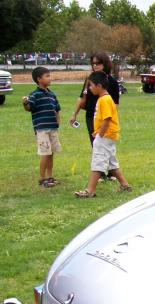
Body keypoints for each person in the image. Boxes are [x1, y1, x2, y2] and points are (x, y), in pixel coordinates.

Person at [74, 71, 131, 198]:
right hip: (109, 136)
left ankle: (91, 190)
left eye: (91, 85)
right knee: (111, 161)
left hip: (105, 136)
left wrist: (99, 136)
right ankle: (125, 184)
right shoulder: (103, 99)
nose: (89, 88)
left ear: (99, 86)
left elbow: (106, 119)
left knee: (97, 161)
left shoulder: (104, 100)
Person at [69, 52, 120, 181]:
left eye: (98, 63)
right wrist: (74, 114)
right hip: (91, 115)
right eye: (93, 63)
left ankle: (111, 172)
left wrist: (112, 119)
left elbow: (115, 104)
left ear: (105, 64)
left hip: (105, 118)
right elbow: (82, 97)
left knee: (106, 145)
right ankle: (100, 173)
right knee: (96, 144)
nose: (95, 65)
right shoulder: (89, 80)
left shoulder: (111, 82)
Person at [22, 66, 61, 188]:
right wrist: (25, 103)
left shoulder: (52, 95)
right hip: (42, 129)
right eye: (47, 76)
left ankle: (50, 176)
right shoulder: (34, 95)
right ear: (39, 79)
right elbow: (30, 108)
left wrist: (57, 122)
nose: (50, 78)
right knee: (45, 152)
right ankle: (42, 178)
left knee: (51, 152)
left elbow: (57, 109)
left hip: (52, 127)